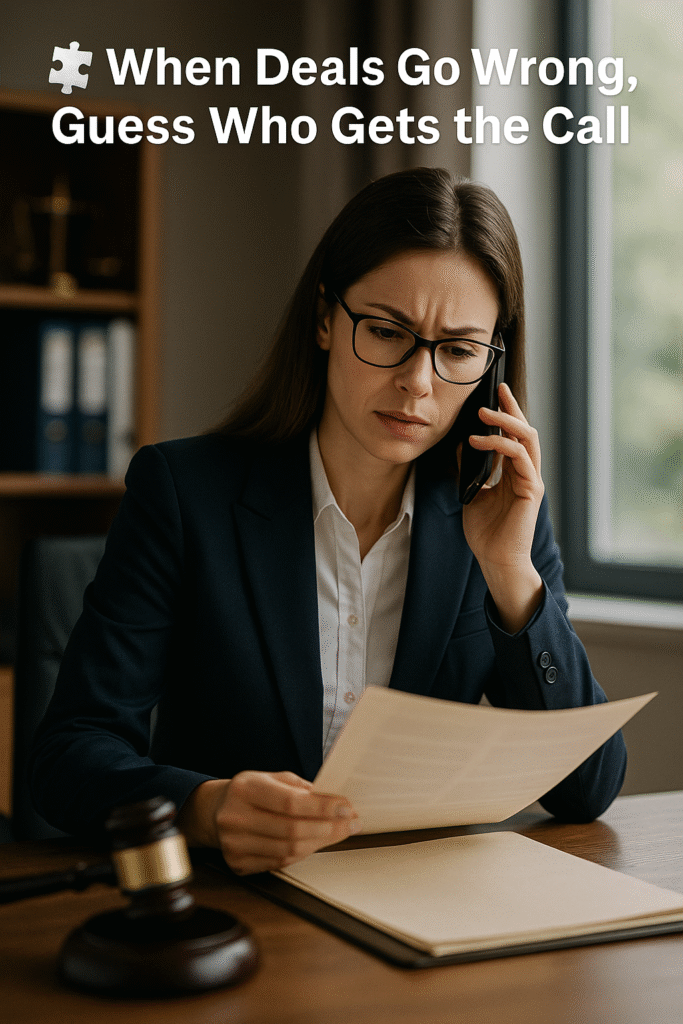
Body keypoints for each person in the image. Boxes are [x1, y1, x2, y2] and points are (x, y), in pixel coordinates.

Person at [30, 167, 626, 876]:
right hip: (237, 905)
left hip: (413, 906)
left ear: (492, 360)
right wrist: (205, 808)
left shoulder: (501, 509)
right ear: (323, 317)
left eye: (458, 350)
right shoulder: (184, 492)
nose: (417, 381)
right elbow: (71, 753)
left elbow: (587, 788)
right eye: (385, 331)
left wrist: (509, 574)